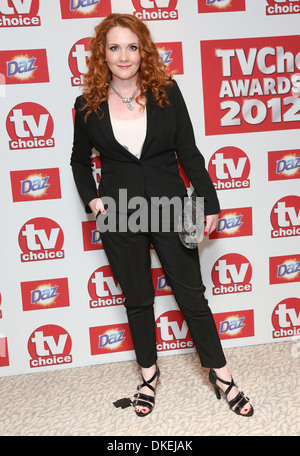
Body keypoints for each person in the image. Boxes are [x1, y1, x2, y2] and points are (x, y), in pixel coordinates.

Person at [70, 13, 253, 418]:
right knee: (138, 299)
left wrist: (210, 201)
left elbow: (189, 152)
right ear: (103, 53)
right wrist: (92, 200)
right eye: (115, 47)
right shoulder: (87, 105)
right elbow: (79, 162)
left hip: (171, 208)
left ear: (143, 51)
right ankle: (148, 376)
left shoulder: (167, 92)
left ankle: (221, 374)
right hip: (119, 214)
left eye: (132, 47)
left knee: (192, 297)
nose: (124, 55)